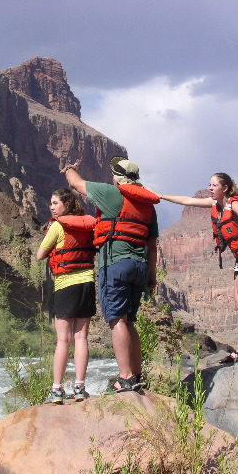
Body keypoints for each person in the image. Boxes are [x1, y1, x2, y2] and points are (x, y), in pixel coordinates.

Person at [62, 156, 159, 392]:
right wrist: (151, 277)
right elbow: (152, 245)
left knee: (117, 319)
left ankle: (125, 378)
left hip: (116, 263)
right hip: (140, 267)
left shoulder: (111, 193)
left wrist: (69, 168)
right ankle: (137, 375)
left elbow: (76, 184)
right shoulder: (148, 206)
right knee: (130, 320)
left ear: (118, 177)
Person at [157, 172, 238, 363]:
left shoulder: (234, 204)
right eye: (209, 185)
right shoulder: (216, 205)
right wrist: (162, 197)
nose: (210, 188)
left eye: (214, 185)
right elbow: (188, 201)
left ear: (224, 188)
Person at [36, 188, 97, 404]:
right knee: (81, 337)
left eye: (55, 203)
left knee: (64, 339)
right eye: (50, 204)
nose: (51, 207)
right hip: (87, 284)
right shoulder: (89, 224)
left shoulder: (57, 226)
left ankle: (57, 390)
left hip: (65, 285)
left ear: (66, 204)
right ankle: (80, 388)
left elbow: (40, 254)